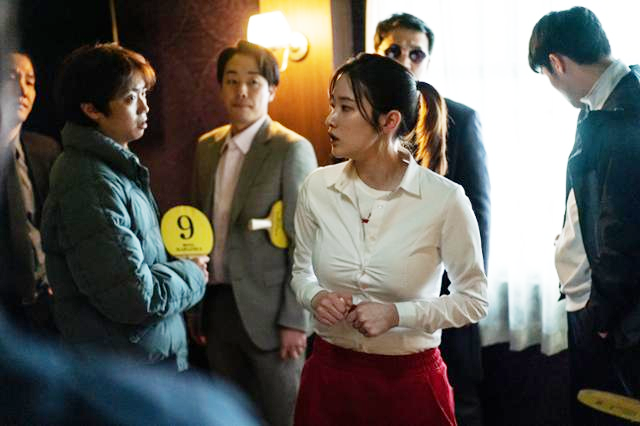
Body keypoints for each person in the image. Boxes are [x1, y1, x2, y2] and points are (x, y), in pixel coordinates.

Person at [291, 53, 488, 426]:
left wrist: (398, 314)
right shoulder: (316, 187)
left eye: (345, 108)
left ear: (389, 121)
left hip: (410, 384)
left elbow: (474, 301)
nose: (330, 119)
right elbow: (301, 273)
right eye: (332, 106)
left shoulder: (444, 199)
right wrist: (315, 297)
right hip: (328, 377)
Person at [41, 43, 208, 372]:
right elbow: (135, 297)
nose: (145, 107)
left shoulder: (113, 168)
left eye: (144, 94)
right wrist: (193, 273)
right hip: (128, 368)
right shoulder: (90, 180)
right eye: (131, 98)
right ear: (92, 109)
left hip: (146, 358)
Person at [190, 40, 317, 425]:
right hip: (218, 305)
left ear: (272, 90)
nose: (241, 91)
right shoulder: (207, 147)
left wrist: (295, 320)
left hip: (273, 313)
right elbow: (197, 228)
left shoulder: (290, 149)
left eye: (253, 82)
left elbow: (307, 241)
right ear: (221, 88)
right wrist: (196, 307)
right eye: (231, 81)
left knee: (283, 415)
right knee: (229, 416)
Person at [374, 13, 491, 425]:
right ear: (377, 52)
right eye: (393, 51)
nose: (404, 60)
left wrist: (461, 292)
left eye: (415, 53)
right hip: (379, 297)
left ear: (427, 60)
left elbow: (478, 216)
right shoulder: (361, 122)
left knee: (453, 404)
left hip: (443, 294)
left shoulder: (460, 118)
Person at [529, 6, 640, 425]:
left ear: (556, 63)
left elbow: (623, 228)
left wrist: (602, 314)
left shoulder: (624, 112)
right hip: (600, 303)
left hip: (614, 313)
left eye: (546, 74)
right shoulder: (600, 103)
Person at [0, 52, 60, 335]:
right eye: (12, 79)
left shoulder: (46, 150)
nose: (23, 90)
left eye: (30, 81)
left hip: (49, 304)